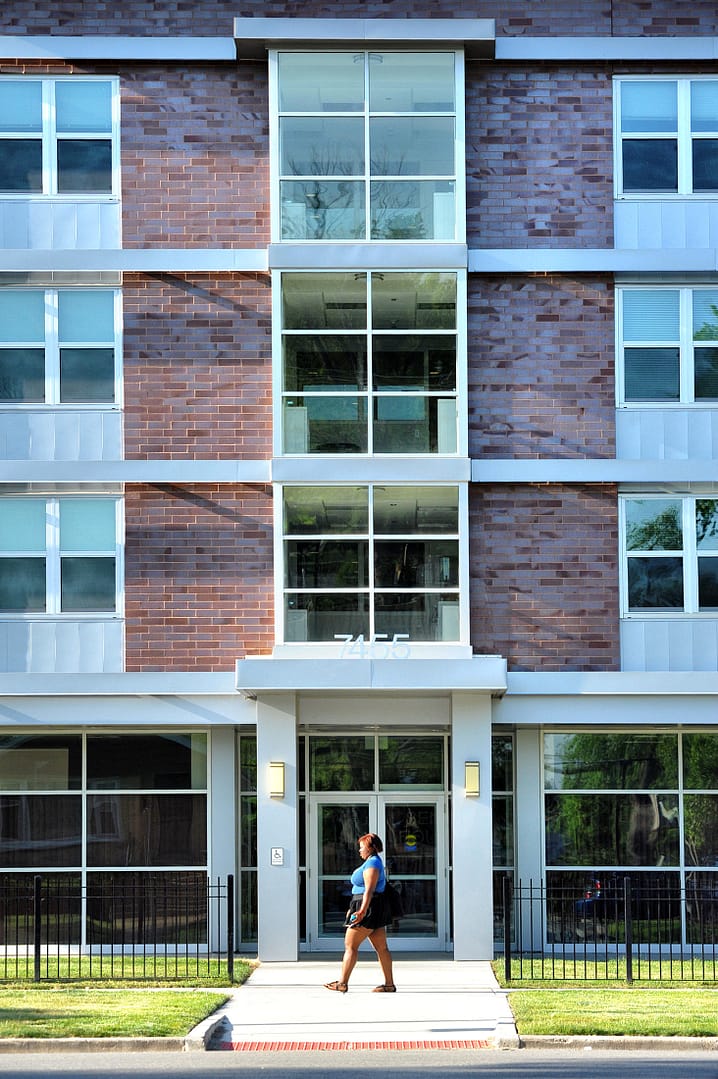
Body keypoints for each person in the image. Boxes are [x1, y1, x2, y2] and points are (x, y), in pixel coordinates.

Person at [324, 832, 396, 994]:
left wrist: (362, 911)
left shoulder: (373, 864)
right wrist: (354, 908)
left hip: (368, 908)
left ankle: (342, 983)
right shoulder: (373, 862)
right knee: (382, 948)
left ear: (371, 848)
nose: (359, 850)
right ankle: (389, 985)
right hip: (372, 907)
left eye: (362, 847)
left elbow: (369, 890)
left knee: (350, 946)